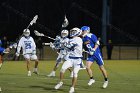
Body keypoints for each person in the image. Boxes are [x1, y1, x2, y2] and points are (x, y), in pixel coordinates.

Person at [54, 27, 83, 93]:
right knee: (62, 69)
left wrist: (64, 44)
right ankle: (60, 82)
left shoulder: (78, 39)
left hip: (77, 59)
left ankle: (72, 88)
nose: (72, 33)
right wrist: (56, 45)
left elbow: (70, 45)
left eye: (74, 31)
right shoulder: (71, 39)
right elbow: (67, 48)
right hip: (70, 58)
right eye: (72, 31)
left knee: (75, 73)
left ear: (78, 32)